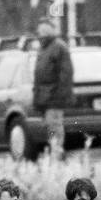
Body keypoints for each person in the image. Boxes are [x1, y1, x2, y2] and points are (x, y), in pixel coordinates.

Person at [32, 17, 74, 160]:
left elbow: (66, 74)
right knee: (50, 127)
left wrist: (60, 95)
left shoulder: (59, 47)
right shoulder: (43, 49)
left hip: (54, 97)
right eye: (40, 31)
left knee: (55, 126)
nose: (41, 34)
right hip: (44, 97)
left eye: (44, 30)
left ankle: (57, 152)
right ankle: (54, 150)